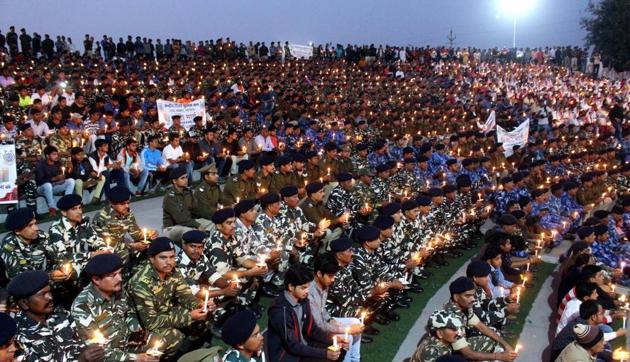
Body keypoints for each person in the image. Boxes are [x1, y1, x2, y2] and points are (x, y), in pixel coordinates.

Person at [128, 237, 215, 359]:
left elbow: (185, 294)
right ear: (151, 259)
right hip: (144, 323)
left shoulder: (172, 271)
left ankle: (188, 352)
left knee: (205, 316)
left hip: (166, 311)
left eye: (172, 257)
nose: (169, 262)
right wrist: (189, 316)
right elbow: (151, 323)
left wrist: (200, 305)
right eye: (163, 258)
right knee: (174, 336)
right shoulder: (141, 283)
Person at [71, 253, 159, 362]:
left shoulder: (117, 289)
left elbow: (129, 312)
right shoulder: (82, 306)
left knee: (160, 342)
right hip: (108, 355)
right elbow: (97, 352)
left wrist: (134, 328)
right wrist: (136, 358)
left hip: (128, 342)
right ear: (96, 279)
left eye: (120, 273)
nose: (120, 278)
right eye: (113, 275)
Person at [7, 270, 105, 362]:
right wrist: (81, 360)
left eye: (49, 291)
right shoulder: (17, 337)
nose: (50, 297)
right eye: (43, 294)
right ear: (24, 303)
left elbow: (85, 341)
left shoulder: (62, 315)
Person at [266, 263, 342, 362]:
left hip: (302, 345)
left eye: (308, 287)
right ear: (291, 287)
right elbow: (292, 346)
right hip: (287, 356)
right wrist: (324, 353)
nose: (307, 291)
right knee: (327, 357)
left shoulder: (303, 301)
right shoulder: (281, 312)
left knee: (339, 349)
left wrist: (333, 339)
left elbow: (312, 329)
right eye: (303, 288)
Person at [434, 277, 517, 361]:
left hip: (459, 345)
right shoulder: (452, 319)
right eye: (467, 296)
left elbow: (481, 326)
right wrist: (499, 356)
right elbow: (467, 354)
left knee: (493, 335)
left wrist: (505, 344)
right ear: (456, 297)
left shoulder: (464, 306)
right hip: (446, 355)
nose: (473, 299)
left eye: (473, 295)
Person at [310, 253, 365, 359]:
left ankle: (355, 359)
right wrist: (345, 328)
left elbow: (322, 309)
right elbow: (318, 325)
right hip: (315, 329)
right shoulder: (310, 291)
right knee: (347, 335)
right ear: (319, 274)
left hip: (324, 321)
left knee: (356, 322)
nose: (333, 279)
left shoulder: (324, 284)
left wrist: (330, 319)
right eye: (330, 276)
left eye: (334, 275)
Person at [92, 186, 157, 269]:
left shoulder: (127, 213)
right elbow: (107, 244)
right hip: (106, 250)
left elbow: (136, 233)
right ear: (112, 203)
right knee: (123, 254)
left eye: (128, 202)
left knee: (153, 245)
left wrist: (150, 234)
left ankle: (142, 270)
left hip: (124, 246)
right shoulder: (102, 217)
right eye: (122, 204)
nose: (126, 206)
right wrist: (132, 246)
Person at [162, 166, 213, 242]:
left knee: (213, 224)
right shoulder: (170, 197)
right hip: (172, 227)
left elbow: (197, 210)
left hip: (188, 222)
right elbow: (180, 218)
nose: (186, 180)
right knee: (191, 232)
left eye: (186, 177)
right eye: (182, 178)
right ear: (174, 181)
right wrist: (197, 225)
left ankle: (211, 247)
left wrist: (212, 216)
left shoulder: (188, 192)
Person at [0, 208, 51, 279]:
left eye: (35, 223)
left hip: (41, 279)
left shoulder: (42, 236)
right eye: (30, 225)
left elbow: (55, 259)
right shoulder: (8, 245)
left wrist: (51, 275)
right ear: (17, 231)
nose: (36, 228)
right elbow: (15, 277)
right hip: (14, 285)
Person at [35, 145, 76, 216]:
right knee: (47, 185)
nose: (56, 156)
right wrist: (55, 179)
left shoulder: (58, 163)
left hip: (54, 186)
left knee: (71, 181)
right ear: (47, 156)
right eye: (54, 154)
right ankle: (52, 208)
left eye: (57, 154)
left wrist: (67, 172)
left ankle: (67, 204)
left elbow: (63, 176)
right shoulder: (40, 165)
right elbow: (39, 181)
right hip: (42, 188)